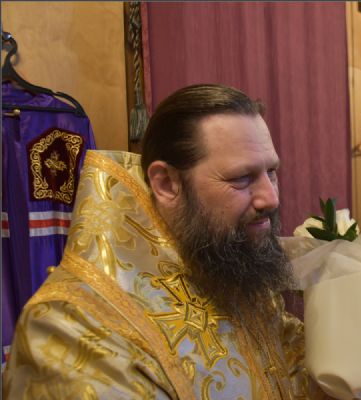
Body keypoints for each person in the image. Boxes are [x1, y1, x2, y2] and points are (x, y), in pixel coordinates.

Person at [2, 84, 327, 399]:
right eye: (241, 178)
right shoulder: (72, 328)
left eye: (272, 172)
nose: (270, 198)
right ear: (167, 184)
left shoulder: (229, 268)